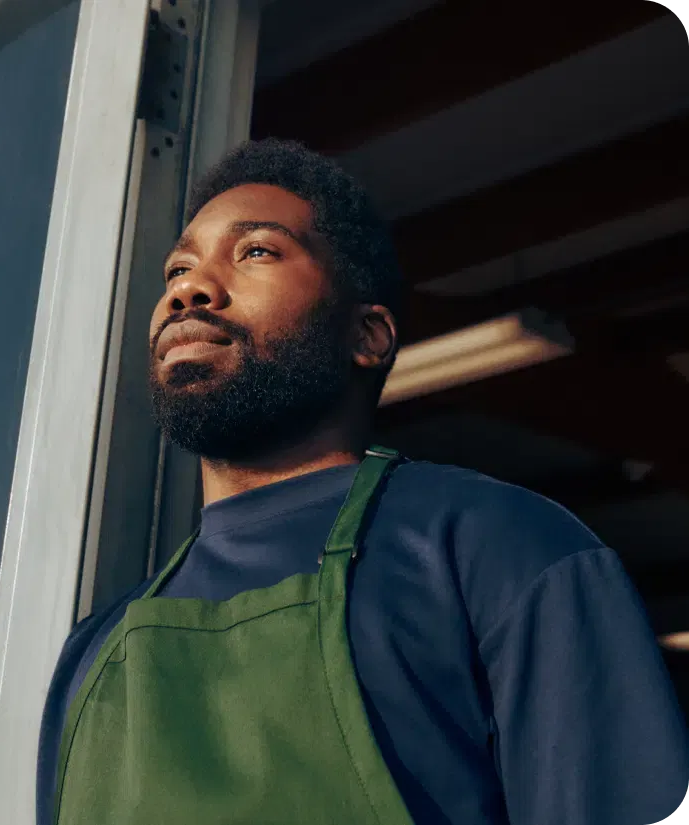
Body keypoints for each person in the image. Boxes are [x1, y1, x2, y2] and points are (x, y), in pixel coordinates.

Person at [37, 139, 688, 825]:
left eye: (256, 250)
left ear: (368, 336)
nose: (188, 288)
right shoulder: (95, 649)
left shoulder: (498, 547)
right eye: (178, 266)